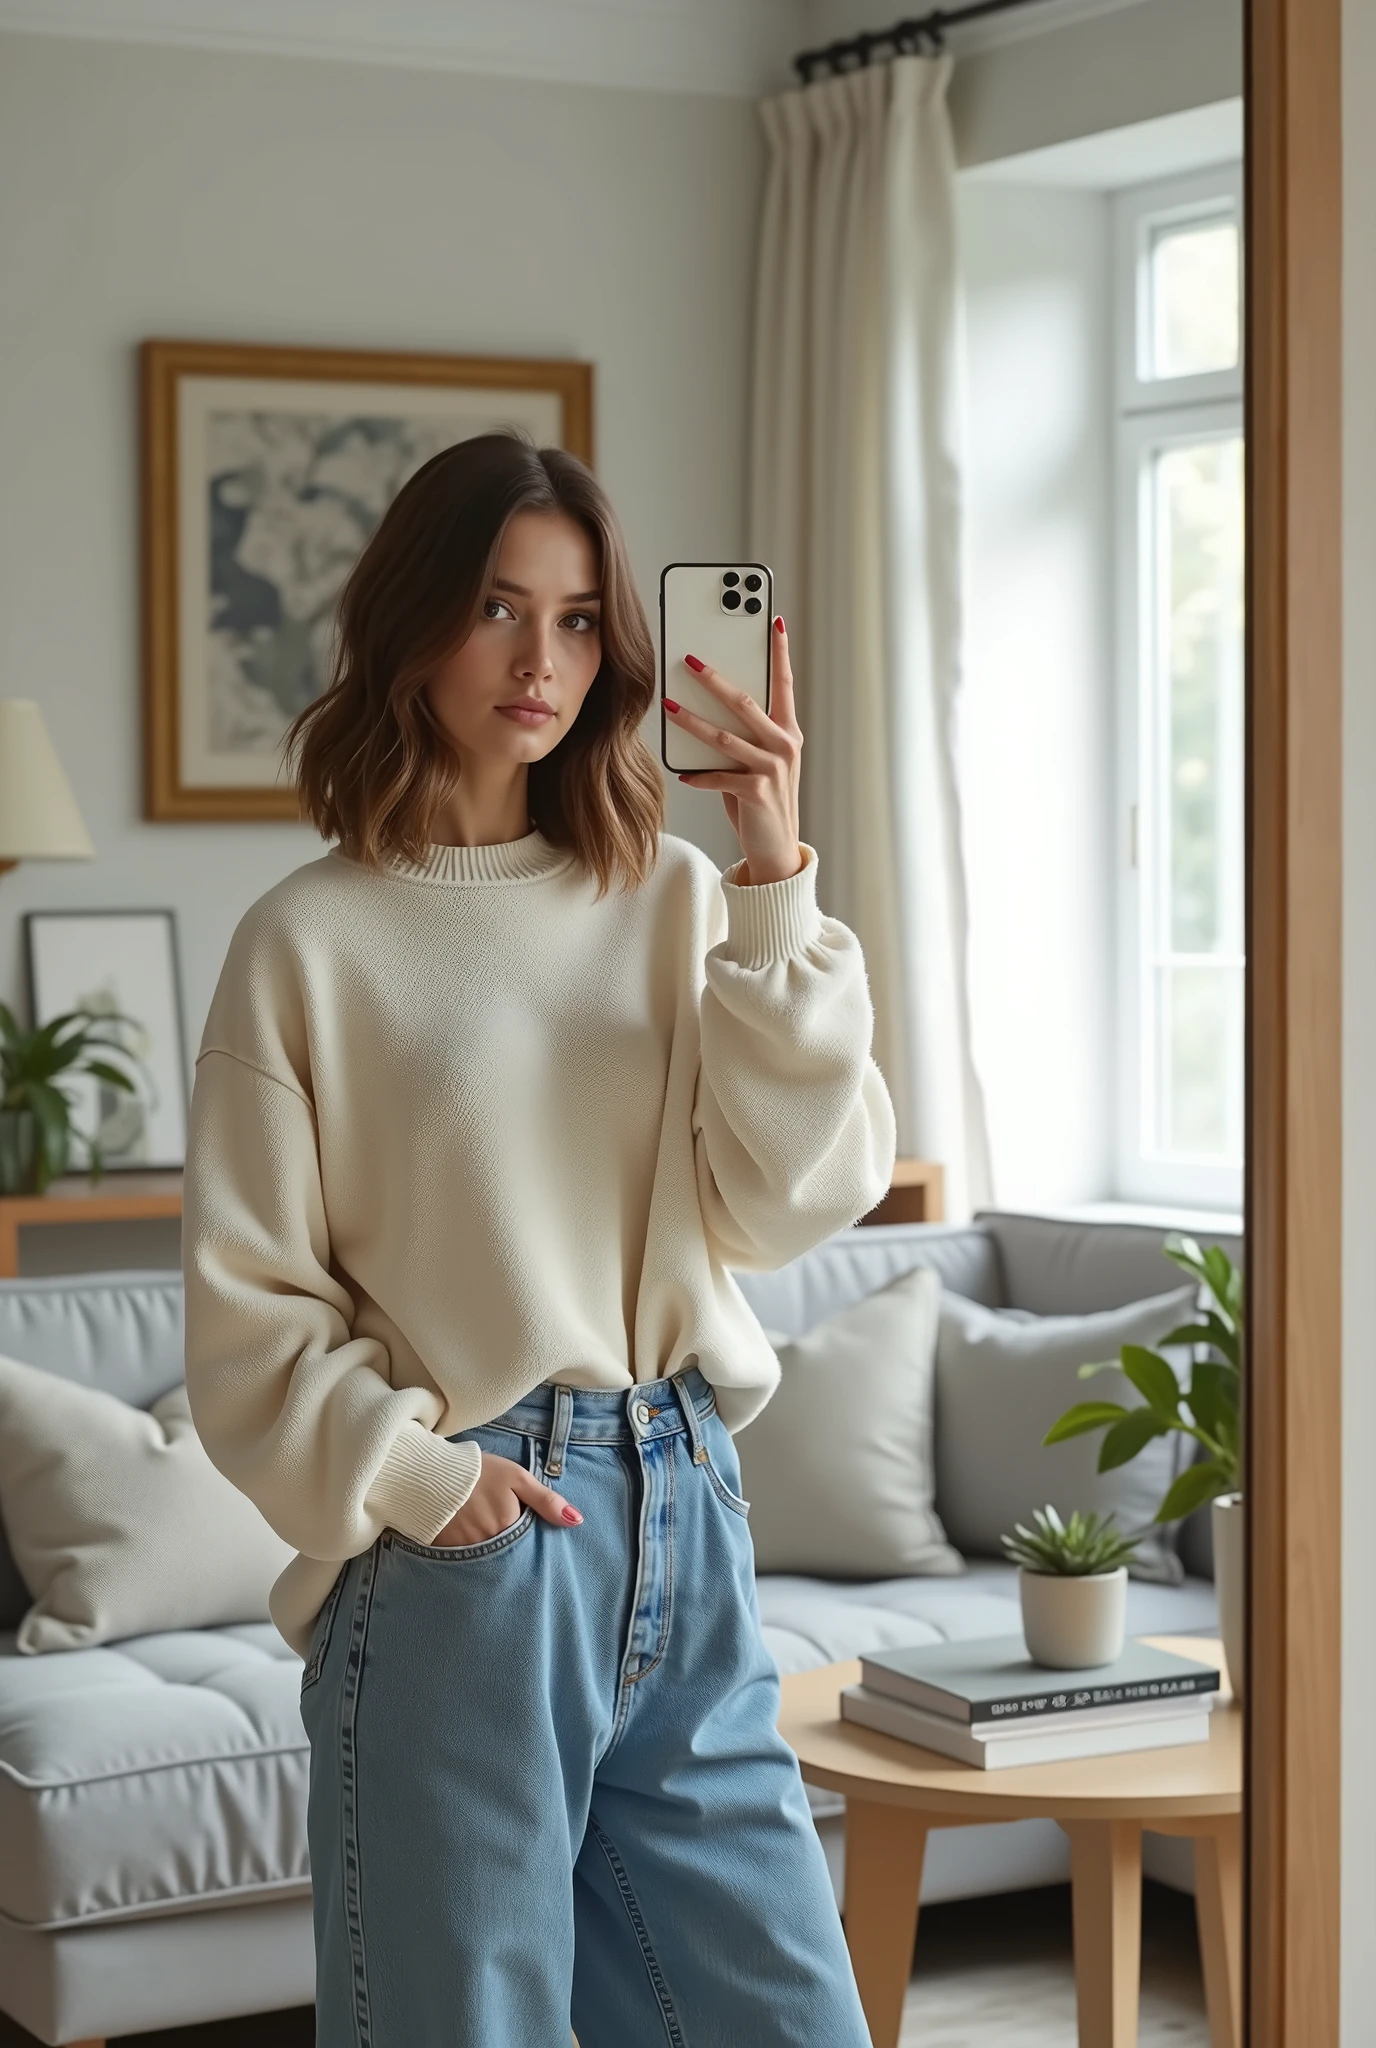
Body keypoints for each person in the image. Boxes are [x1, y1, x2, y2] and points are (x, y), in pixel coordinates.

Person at [181, 430, 897, 2047]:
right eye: (502, 610)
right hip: (472, 1545)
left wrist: (773, 869)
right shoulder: (308, 939)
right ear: (414, 623)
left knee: (792, 2021)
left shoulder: (673, 897)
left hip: (689, 1506)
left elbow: (799, 1195)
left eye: (580, 621)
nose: (543, 660)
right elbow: (246, 1318)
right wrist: (430, 1485)